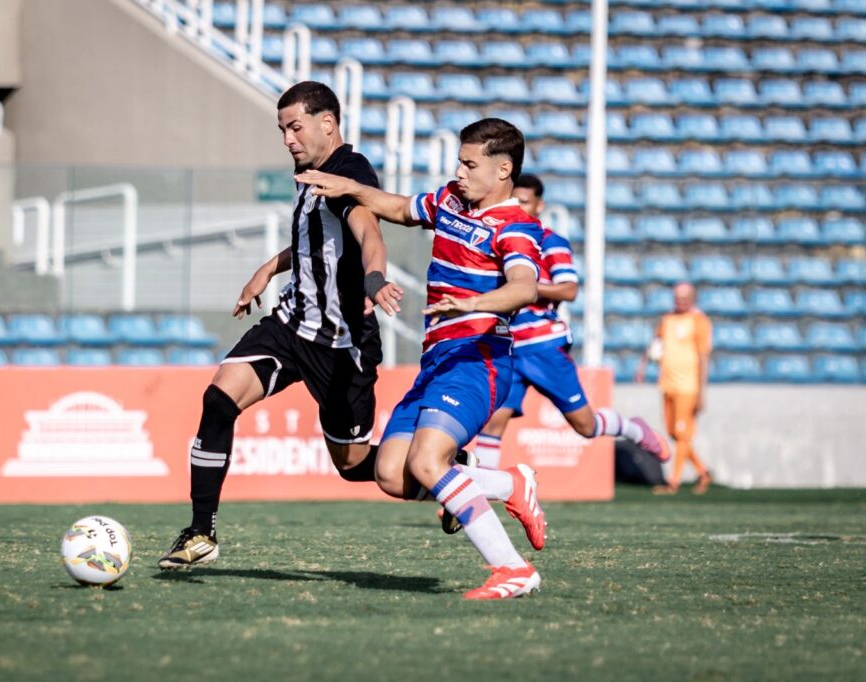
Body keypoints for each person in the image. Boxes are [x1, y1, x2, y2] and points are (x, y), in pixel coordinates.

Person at [297, 118, 549, 600]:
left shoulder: (518, 226)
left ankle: (512, 569)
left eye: (469, 164)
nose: (459, 171)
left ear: (503, 171)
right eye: (459, 160)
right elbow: (397, 207)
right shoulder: (450, 202)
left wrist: (472, 304)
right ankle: (509, 483)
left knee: (430, 462)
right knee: (392, 474)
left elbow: (524, 286)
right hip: (436, 362)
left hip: (479, 360)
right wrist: (348, 186)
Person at [158, 81, 404, 569]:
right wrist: (270, 267)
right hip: (291, 326)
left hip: (341, 344)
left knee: (356, 467)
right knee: (218, 399)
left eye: (295, 127)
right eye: (282, 130)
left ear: (327, 124)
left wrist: (375, 280)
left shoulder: (347, 175)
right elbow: (319, 241)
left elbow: (368, 232)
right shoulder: (311, 172)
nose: (288, 139)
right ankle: (200, 532)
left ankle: (449, 477)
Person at [451, 174, 665, 511]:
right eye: (513, 200)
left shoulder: (549, 241)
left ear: (539, 205)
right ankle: (483, 494)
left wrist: (524, 288)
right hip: (507, 345)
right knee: (493, 422)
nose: (517, 206)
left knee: (585, 425)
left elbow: (568, 289)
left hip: (543, 346)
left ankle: (633, 428)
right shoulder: (498, 237)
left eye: (524, 201)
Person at [635, 282, 713, 495]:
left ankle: (673, 481)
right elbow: (656, 343)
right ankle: (703, 471)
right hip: (667, 383)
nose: (680, 302)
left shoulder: (699, 321)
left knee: (681, 433)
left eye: (684, 298)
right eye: (677, 298)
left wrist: (701, 392)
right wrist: (642, 366)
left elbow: (703, 356)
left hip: (688, 386)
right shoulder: (667, 319)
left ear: (693, 299)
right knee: (674, 433)